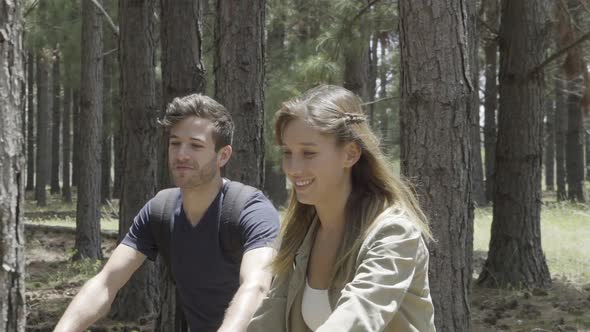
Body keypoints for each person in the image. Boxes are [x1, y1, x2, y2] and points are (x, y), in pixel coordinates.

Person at [55, 94, 280, 332]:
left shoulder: (251, 209)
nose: (181, 154)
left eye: (195, 145)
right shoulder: (160, 210)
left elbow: (256, 286)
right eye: (175, 143)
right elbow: (106, 283)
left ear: (223, 155)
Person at [247, 85, 436, 332]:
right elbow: (269, 318)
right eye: (287, 153)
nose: (293, 168)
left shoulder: (394, 232)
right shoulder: (300, 233)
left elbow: (359, 316)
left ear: (350, 154)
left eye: (308, 153)